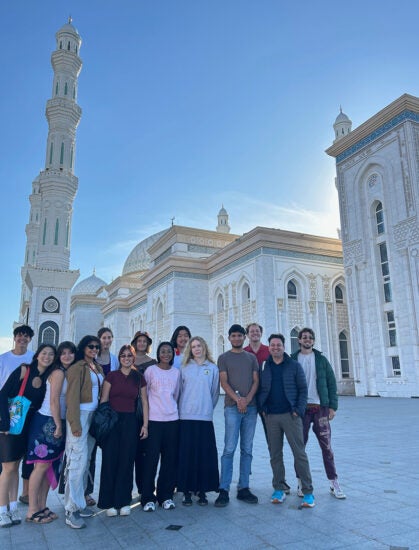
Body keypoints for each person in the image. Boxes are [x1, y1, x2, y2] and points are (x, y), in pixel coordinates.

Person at [0, 344, 56, 528]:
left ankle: (13, 507)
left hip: (29, 426)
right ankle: (2, 511)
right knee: (8, 468)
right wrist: (5, 423)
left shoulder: (48, 376)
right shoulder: (25, 370)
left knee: (16, 466)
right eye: (44, 353)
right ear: (37, 355)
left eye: (50, 354)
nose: (47, 357)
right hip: (14, 424)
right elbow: (3, 395)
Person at [258, 334, 315, 508]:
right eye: (272, 345)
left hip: (291, 416)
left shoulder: (293, 366)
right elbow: (261, 388)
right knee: (275, 454)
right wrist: (263, 408)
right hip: (272, 417)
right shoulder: (265, 366)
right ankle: (279, 488)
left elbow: (303, 390)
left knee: (299, 454)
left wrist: (298, 410)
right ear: (269, 347)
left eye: (279, 345)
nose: (275, 347)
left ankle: (308, 492)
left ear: (284, 347)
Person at [291, 327, 345, 499]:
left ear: (313, 341)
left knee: (326, 447)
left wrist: (332, 407)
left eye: (310, 337)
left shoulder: (321, 359)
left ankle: (333, 482)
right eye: (304, 337)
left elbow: (331, 383)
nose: (307, 339)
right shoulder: (293, 359)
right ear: (299, 340)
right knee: (300, 448)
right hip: (301, 410)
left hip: (320, 409)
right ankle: (301, 483)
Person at [25, 342, 76, 524]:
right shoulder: (58, 372)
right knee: (40, 467)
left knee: (49, 465)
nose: (67, 356)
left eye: (71, 353)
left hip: (55, 421)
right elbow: (54, 401)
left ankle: (42, 506)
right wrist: (58, 425)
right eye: (63, 353)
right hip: (47, 421)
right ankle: (32, 510)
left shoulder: (67, 372)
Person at [98, 345, 148, 516]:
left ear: (134, 358)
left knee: (127, 461)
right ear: (119, 358)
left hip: (131, 422)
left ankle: (123, 500)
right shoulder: (111, 376)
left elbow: (144, 402)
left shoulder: (139, 378)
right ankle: (109, 502)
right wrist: (103, 425)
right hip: (113, 421)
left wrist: (145, 425)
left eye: (129, 356)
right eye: (123, 355)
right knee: (110, 460)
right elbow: (104, 401)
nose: (126, 358)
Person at [215, 324, 259, 507]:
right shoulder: (223, 358)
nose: (237, 339)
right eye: (233, 336)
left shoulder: (251, 358)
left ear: (244, 337)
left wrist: (247, 400)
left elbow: (256, 380)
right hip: (232, 408)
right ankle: (223, 489)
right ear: (229, 338)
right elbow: (223, 382)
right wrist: (238, 400)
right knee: (229, 448)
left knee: (247, 449)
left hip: (251, 408)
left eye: (240, 336)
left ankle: (243, 488)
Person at [64, 335, 104, 529]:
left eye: (97, 347)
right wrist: (74, 423)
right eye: (90, 346)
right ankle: (71, 509)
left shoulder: (96, 367)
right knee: (76, 461)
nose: (94, 349)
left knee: (86, 461)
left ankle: (79, 503)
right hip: (80, 416)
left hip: (93, 417)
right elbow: (71, 397)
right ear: (83, 347)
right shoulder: (77, 367)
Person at [178, 336, 219, 506]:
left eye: (199, 346)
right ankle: (186, 491)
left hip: (204, 418)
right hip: (186, 417)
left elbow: (215, 393)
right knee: (187, 455)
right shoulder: (184, 368)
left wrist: (207, 408)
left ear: (204, 347)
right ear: (190, 349)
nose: (196, 349)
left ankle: (202, 491)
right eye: (193, 346)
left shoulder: (213, 368)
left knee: (204, 455)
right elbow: (179, 391)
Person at [141, 342, 180, 512]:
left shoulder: (176, 373)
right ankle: (148, 497)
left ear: (173, 354)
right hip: (154, 421)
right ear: (158, 353)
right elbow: (145, 397)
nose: (166, 354)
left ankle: (166, 495)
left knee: (169, 460)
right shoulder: (151, 371)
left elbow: (176, 395)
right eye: (163, 351)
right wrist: (146, 423)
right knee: (151, 460)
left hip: (172, 420)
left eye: (169, 351)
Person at [84, 328, 118, 508]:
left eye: (109, 338)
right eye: (104, 338)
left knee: (108, 452)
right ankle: (86, 492)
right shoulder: (89, 360)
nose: (106, 341)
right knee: (88, 453)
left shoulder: (114, 359)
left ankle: (108, 490)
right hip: (90, 410)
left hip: (106, 411)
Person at [0, 325, 35, 503]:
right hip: (6, 412)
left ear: (30, 339)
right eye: (20, 335)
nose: (23, 339)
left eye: (26, 336)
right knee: (8, 463)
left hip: (25, 413)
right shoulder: (3, 359)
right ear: (14, 337)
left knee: (20, 459)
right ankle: (3, 502)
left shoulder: (33, 358)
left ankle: (22, 495)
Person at [130, 330, 156, 496]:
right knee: (130, 450)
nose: (141, 343)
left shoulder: (152, 362)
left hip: (148, 409)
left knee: (146, 452)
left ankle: (145, 487)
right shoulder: (127, 359)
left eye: (144, 341)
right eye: (139, 341)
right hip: (130, 410)